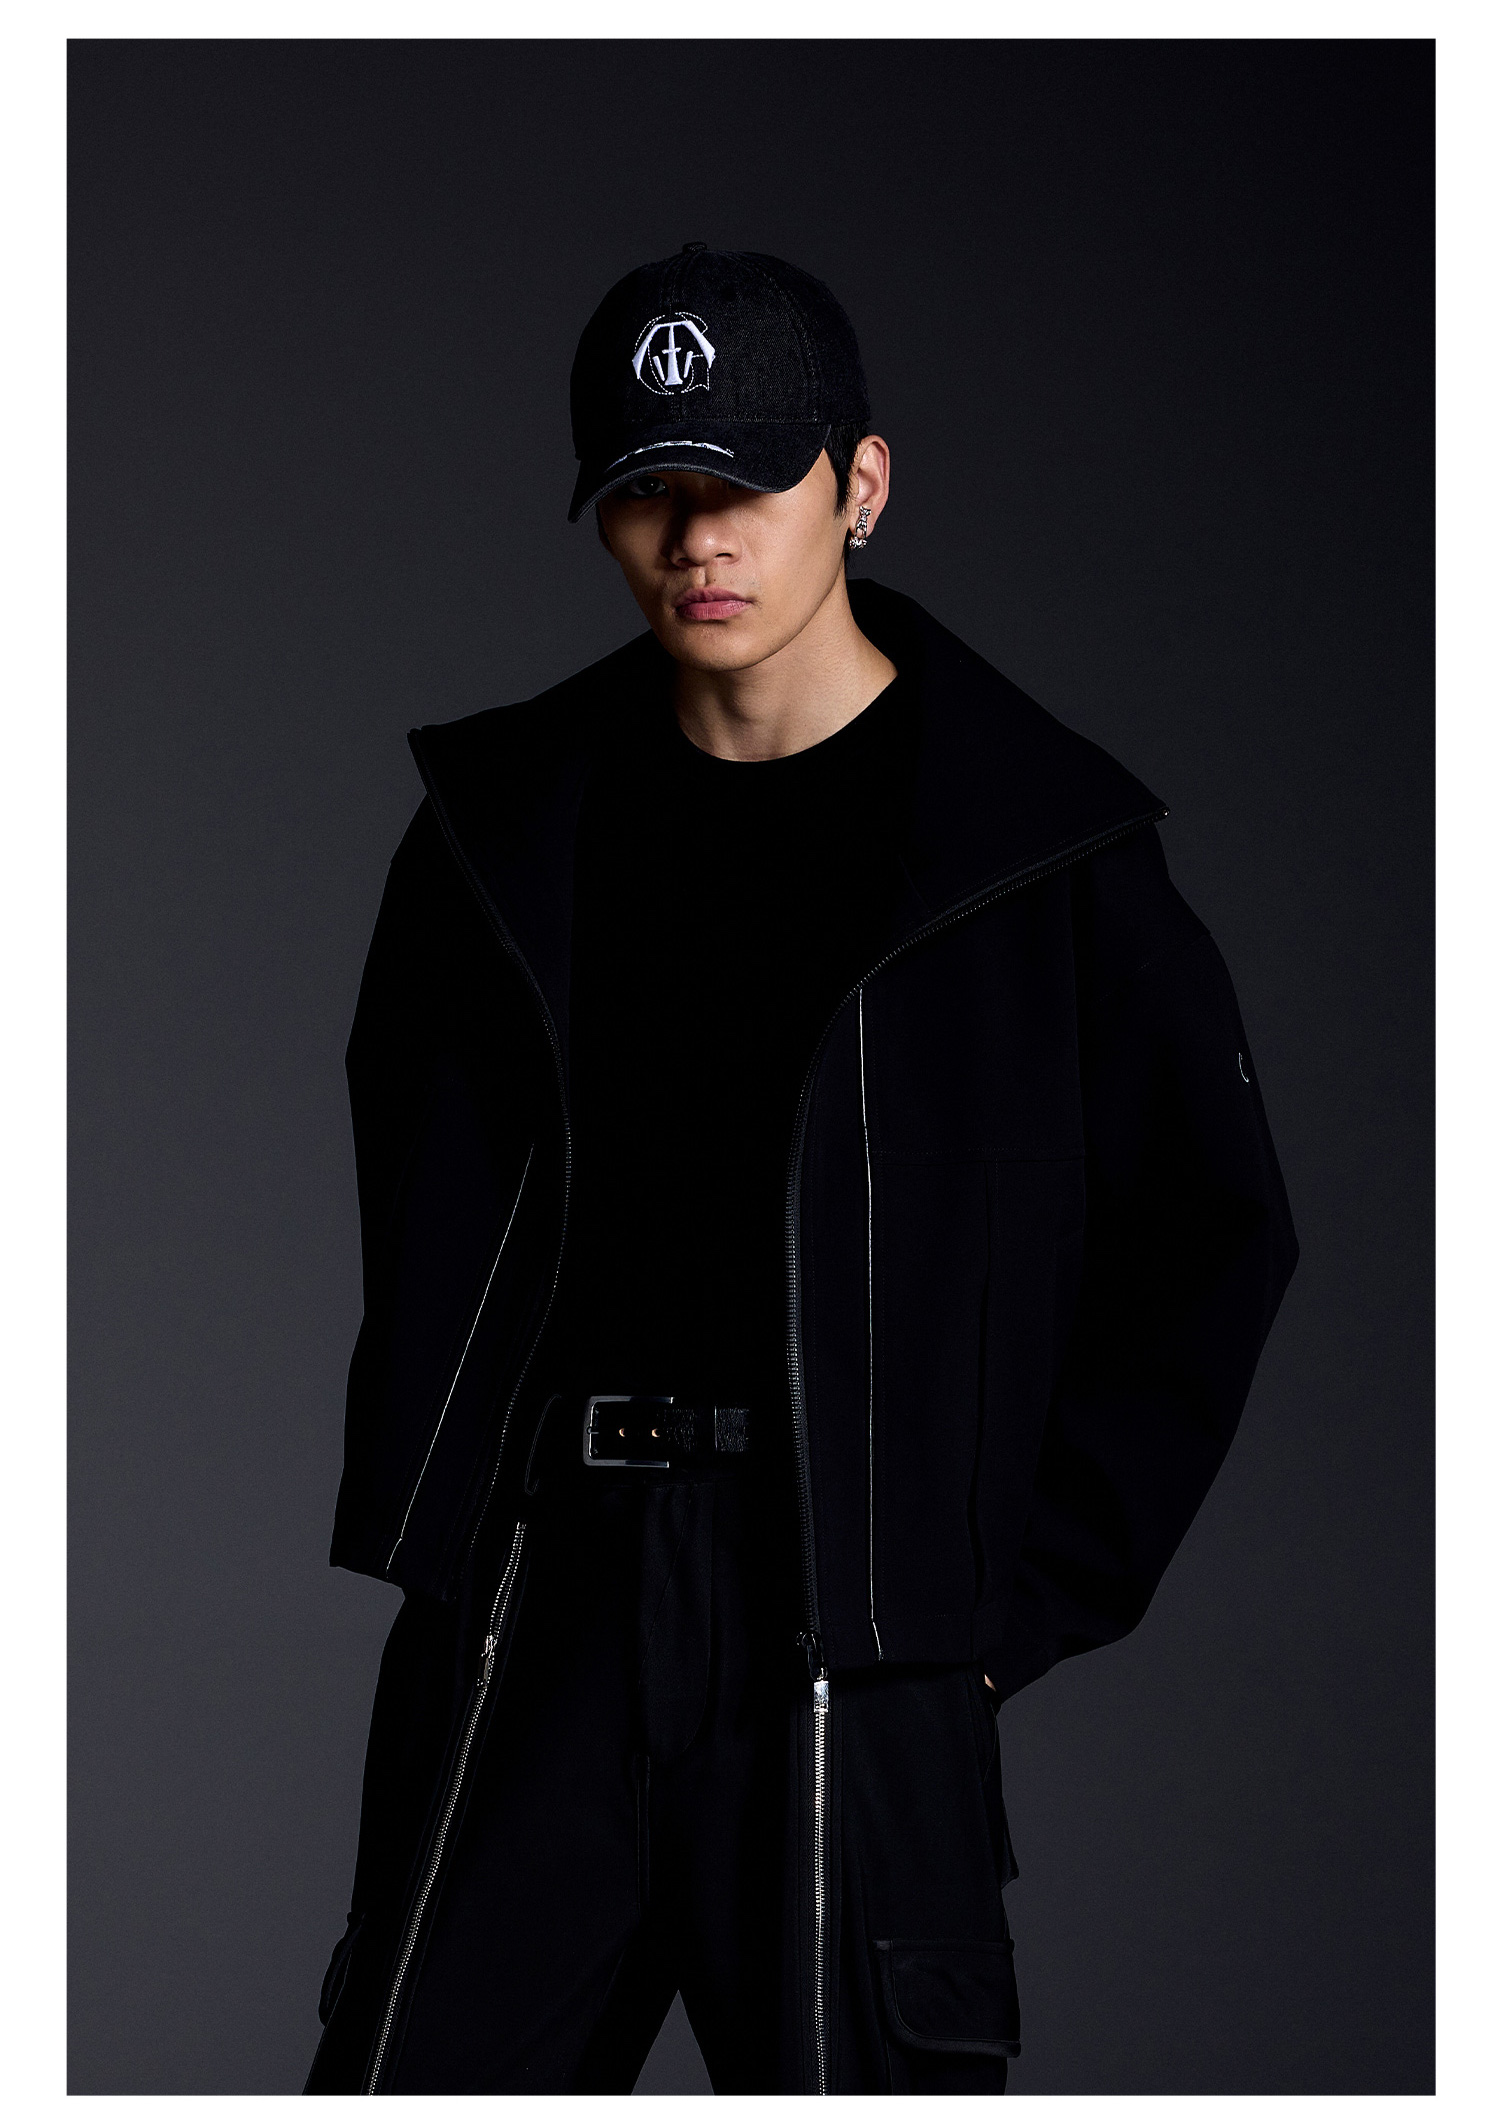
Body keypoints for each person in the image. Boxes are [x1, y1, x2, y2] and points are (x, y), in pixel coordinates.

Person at [304, 244, 1298, 2096]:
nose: (698, 539)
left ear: (862, 483)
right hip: (545, 1605)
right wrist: (461, 1525)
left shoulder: (1037, 852)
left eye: (749, 482)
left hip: (854, 1619)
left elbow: (1215, 1236)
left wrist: (1001, 1604)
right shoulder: (497, 836)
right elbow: (422, 1180)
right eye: (648, 491)